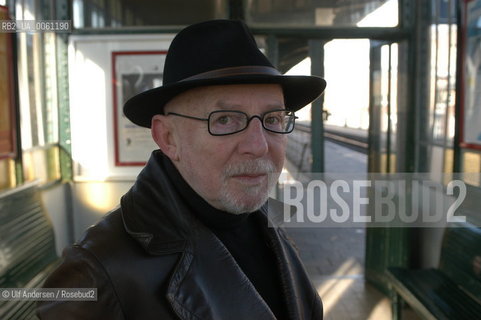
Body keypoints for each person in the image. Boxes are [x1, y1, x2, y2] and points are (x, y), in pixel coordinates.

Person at [37, 19, 326, 320]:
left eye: (274, 119)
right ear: (168, 138)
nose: (259, 145)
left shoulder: (267, 221)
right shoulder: (97, 273)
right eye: (225, 119)